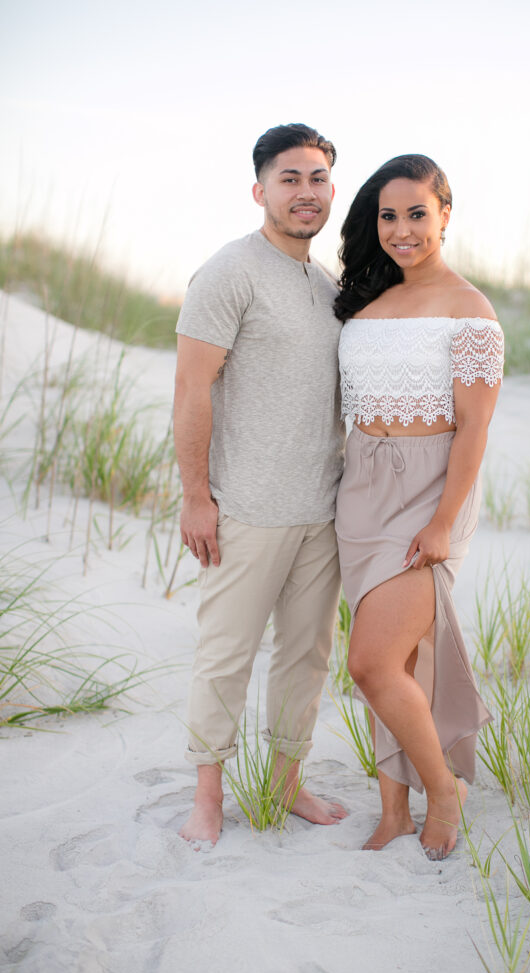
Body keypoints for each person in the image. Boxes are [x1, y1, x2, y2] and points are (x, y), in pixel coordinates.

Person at [174, 123, 348, 845]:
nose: (304, 193)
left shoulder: (327, 283)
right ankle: (207, 796)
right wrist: (195, 497)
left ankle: (285, 780)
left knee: (307, 656)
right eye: (289, 178)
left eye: (316, 179)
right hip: (246, 507)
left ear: (330, 191)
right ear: (260, 190)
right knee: (226, 657)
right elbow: (190, 389)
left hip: (322, 510)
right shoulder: (228, 272)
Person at [334, 155, 503, 860]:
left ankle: (441, 791)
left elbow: (474, 429)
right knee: (393, 663)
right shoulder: (367, 302)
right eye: (388, 215)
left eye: (416, 214)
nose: (401, 230)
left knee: (369, 663)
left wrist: (440, 521)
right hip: (360, 491)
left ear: (444, 215)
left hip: (427, 491)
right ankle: (392, 809)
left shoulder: (470, 310)